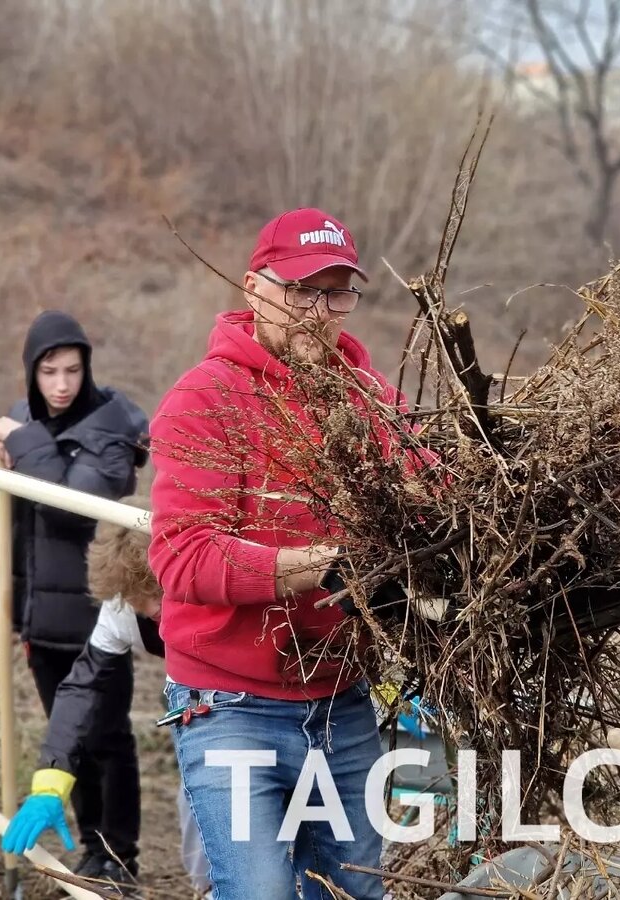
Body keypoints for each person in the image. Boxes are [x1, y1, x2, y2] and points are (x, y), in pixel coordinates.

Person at [149, 208, 425, 900]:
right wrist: (312, 565)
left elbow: (433, 488)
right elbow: (183, 556)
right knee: (260, 892)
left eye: (335, 293)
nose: (317, 311)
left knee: (356, 891)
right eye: (300, 290)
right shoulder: (206, 399)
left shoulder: (371, 402)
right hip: (229, 702)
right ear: (253, 287)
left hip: (342, 700)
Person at [0, 310, 149, 879]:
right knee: (67, 741)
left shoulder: (111, 426)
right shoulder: (23, 422)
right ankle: (89, 849)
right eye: (48, 371)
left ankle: (117, 856)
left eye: (71, 370)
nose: (60, 384)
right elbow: (0, 516)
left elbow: (73, 504)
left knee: (107, 739)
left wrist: (23, 443)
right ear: (32, 373)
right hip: (40, 617)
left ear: (87, 369)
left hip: (97, 611)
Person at [2, 515, 211, 896]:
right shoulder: (120, 608)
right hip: (195, 694)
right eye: (138, 602)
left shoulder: (207, 584)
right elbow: (81, 687)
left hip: (251, 688)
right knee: (198, 802)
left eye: (157, 596)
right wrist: (50, 782)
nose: (150, 610)